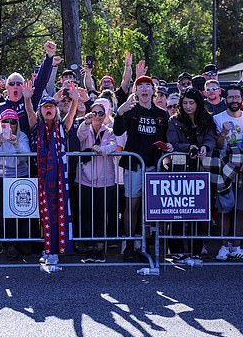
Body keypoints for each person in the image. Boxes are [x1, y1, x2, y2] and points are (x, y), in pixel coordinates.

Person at [113, 75, 171, 261]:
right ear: (136, 91)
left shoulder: (162, 114)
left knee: (152, 208)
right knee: (132, 206)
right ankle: (130, 245)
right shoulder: (130, 110)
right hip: (133, 165)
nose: (144, 89)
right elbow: (117, 131)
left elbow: (168, 139)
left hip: (154, 167)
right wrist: (120, 112)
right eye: (141, 86)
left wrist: (169, 147)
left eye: (148, 86)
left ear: (153, 90)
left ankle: (148, 245)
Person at [166, 88, 217, 263]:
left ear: (198, 103)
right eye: (185, 103)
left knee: (199, 212)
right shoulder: (174, 120)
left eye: (191, 102)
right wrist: (190, 147)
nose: (188, 106)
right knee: (178, 211)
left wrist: (206, 148)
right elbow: (173, 142)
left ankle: (196, 250)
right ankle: (177, 250)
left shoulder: (207, 119)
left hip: (201, 172)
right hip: (180, 170)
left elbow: (211, 138)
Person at [35, 91, 79, 266]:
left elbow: (71, 115)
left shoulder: (61, 126)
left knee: (58, 213)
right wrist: (28, 99)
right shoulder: (35, 126)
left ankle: (54, 251)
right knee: (44, 215)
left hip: (59, 177)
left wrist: (75, 100)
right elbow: (30, 113)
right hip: (40, 175)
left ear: (55, 110)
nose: (48, 110)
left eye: (51, 107)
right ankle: (47, 249)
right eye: (45, 107)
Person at [0, 109, 31, 260]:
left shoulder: (21, 136)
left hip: (19, 176)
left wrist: (16, 144)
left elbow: (27, 156)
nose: (9, 125)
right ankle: (7, 245)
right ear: (0, 124)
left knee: (21, 212)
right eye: (5, 122)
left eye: (12, 122)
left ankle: (22, 241)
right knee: (1, 214)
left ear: (17, 124)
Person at [213, 85, 243, 261]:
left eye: (238, 97)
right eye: (231, 97)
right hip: (224, 169)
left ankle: (237, 246)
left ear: (242, 99)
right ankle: (223, 246)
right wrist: (224, 132)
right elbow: (217, 144)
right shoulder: (216, 119)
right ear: (226, 99)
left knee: (241, 209)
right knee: (224, 208)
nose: (235, 100)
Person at [76, 99, 118, 263]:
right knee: (86, 213)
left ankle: (100, 247)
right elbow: (80, 136)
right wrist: (86, 123)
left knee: (101, 214)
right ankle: (87, 245)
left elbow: (113, 145)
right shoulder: (84, 127)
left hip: (105, 180)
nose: (98, 116)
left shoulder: (109, 131)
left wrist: (102, 150)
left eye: (101, 113)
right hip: (85, 179)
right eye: (95, 112)